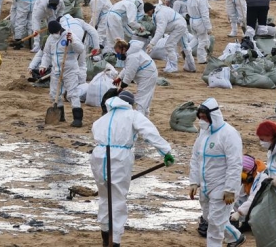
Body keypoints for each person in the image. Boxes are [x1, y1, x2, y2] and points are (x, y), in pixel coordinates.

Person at [91, 90, 174, 247]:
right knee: (117, 198)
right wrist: (166, 152)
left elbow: (95, 131)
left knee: (105, 196)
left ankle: (105, 235)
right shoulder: (133, 115)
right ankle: (115, 241)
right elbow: (149, 132)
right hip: (119, 158)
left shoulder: (103, 118)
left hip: (99, 157)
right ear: (130, 104)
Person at [188, 98, 245, 247]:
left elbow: (235, 163)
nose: (202, 121)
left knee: (214, 226)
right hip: (205, 185)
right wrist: (194, 182)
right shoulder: (203, 133)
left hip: (222, 186)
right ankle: (235, 237)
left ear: (213, 116)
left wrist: (230, 189)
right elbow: (195, 157)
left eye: (205, 118)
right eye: (200, 118)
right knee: (211, 218)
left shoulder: (229, 134)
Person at [39, 20, 85, 126]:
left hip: (70, 70)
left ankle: (77, 118)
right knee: (54, 93)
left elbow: (81, 49)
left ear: (59, 29)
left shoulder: (69, 35)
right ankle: (60, 116)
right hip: (56, 70)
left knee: (72, 93)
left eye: (56, 32)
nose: (55, 34)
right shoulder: (50, 38)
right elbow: (47, 54)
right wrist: (43, 66)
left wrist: (72, 41)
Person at [144, 2, 196, 73]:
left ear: (150, 10)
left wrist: (152, 43)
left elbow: (160, 31)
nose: (148, 15)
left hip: (178, 27)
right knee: (185, 45)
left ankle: (173, 67)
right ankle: (191, 67)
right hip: (181, 23)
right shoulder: (159, 9)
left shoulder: (160, 15)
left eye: (148, 13)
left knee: (169, 45)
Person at [113, 39, 157, 117]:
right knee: (146, 98)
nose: (118, 55)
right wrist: (119, 77)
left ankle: (139, 118)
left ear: (123, 49)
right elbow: (127, 68)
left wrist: (122, 86)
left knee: (141, 100)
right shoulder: (131, 52)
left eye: (118, 53)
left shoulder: (132, 56)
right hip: (149, 73)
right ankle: (145, 117)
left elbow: (130, 74)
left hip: (147, 76)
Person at [187, 0, 212, 64]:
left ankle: (186, 49)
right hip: (200, 22)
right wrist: (208, 27)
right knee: (203, 40)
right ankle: (202, 59)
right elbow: (205, 15)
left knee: (196, 38)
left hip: (192, 20)